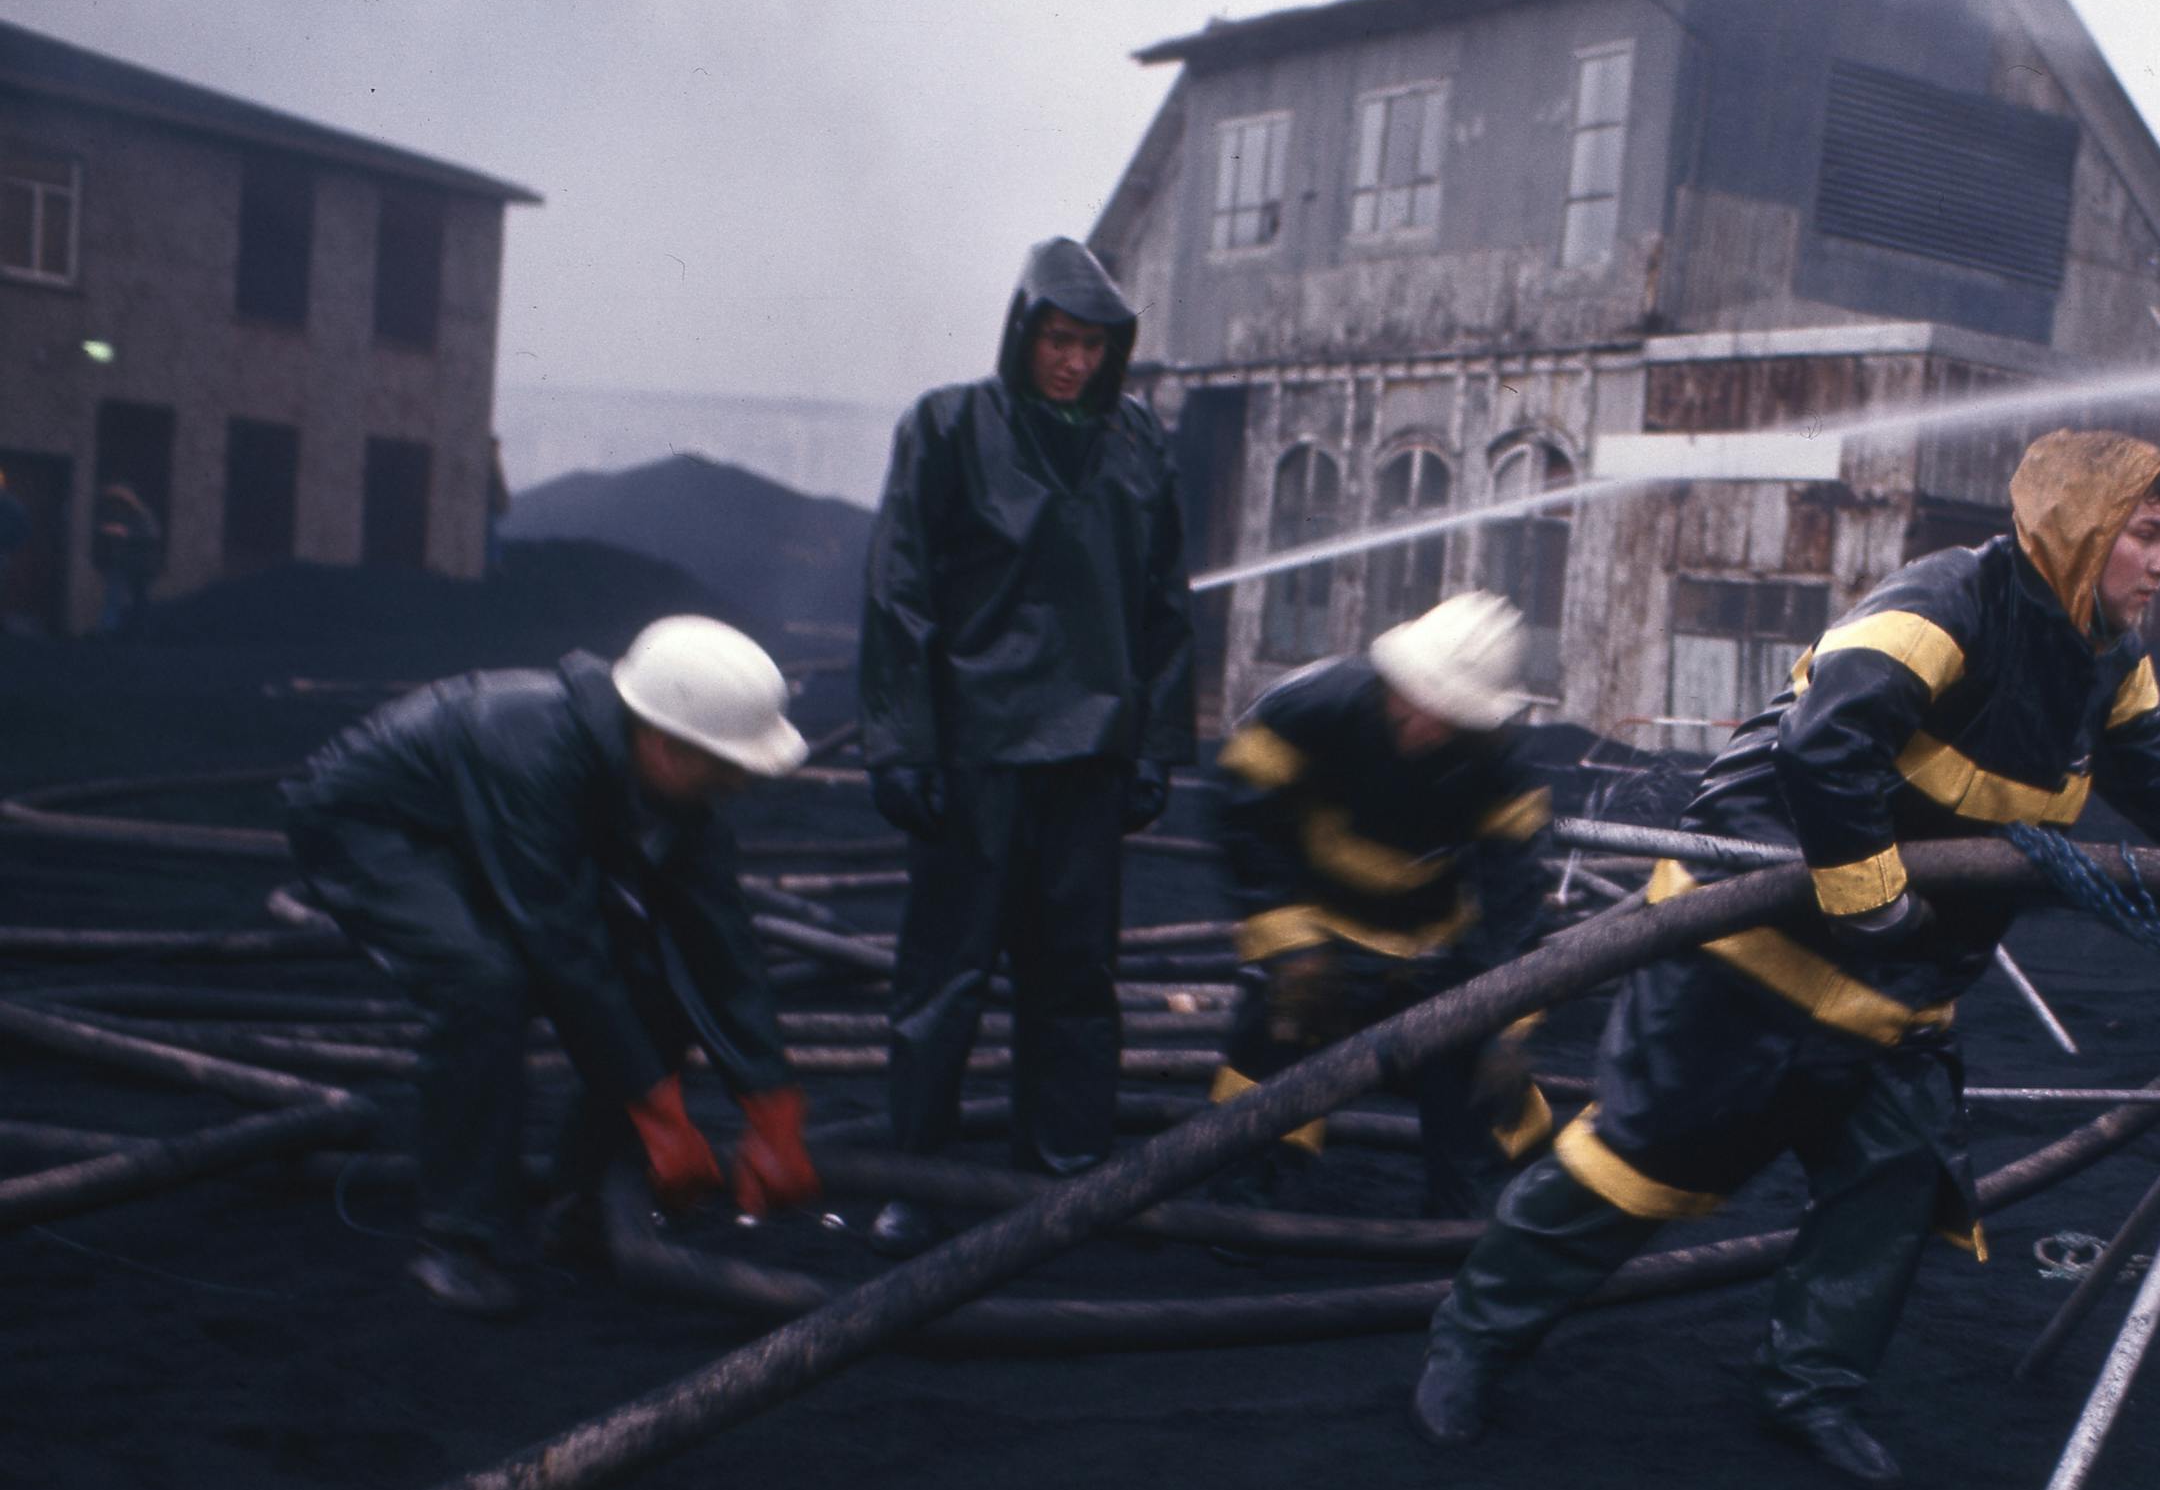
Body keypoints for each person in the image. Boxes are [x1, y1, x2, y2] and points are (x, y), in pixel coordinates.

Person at [1411, 430, 2160, 1489]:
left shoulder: (2107, 661)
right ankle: (1472, 1338)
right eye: (2146, 538)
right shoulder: (1939, 609)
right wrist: (1873, 903)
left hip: (1900, 986)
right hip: (1747, 954)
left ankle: (1811, 1389)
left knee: (1890, 1181)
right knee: (1642, 1163)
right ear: (2079, 530)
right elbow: (1825, 745)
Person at [278, 616, 817, 1318]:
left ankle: (584, 1208)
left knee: (654, 984)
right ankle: (458, 1240)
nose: (737, 784)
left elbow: (721, 939)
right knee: (483, 980)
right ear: (662, 744)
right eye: (725, 767)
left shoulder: (678, 785)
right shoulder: (530, 748)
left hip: (489, 833)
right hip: (373, 829)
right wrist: (659, 1114)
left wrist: (771, 1103)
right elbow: (564, 948)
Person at [857, 237, 1192, 1249]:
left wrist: (1154, 743)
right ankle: (915, 1177)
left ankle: (1064, 1170)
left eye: (1092, 344)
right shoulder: (949, 427)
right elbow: (898, 585)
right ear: (1023, 332)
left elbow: (1162, 603)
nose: (1072, 361)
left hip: (1086, 758)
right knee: (943, 976)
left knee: (1075, 977)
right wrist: (903, 740)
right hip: (977, 756)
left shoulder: (1134, 444)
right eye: (1056, 338)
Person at [1210, 589, 1557, 1217]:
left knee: (1478, 1069)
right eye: (1418, 702)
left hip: (1427, 942)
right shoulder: (1309, 709)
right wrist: (1292, 951)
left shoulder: (1501, 765)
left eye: (1451, 714)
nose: (1428, 726)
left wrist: (1509, 1020)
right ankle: (1248, 1199)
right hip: (1314, 928)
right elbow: (1247, 826)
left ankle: (1479, 1214)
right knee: (1272, 1047)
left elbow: (1517, 898)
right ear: (1393, 674)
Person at [90, 484, 163, 638]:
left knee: (138, 599)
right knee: (119, 597)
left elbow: (149, 536)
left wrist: (124, 534)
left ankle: (139, 631)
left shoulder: (142, 516)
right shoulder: (123, 516)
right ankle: (117, 629)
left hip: (139, 566)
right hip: (124, 565)